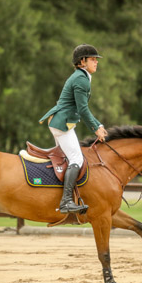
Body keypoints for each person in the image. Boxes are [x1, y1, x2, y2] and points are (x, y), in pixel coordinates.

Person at [39, 44, 108, 214]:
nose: (96, 62)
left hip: (63, 122)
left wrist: (98, 124)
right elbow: (83, 109)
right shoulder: (81, 79)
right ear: (82, 61)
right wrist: (95, 128)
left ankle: (60, 197)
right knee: (76, 159)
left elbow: (82, 108)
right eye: (92, 59)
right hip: (62, 124)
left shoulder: (82, 77)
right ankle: (66, 202)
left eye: (96, 60)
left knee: (67, 159)